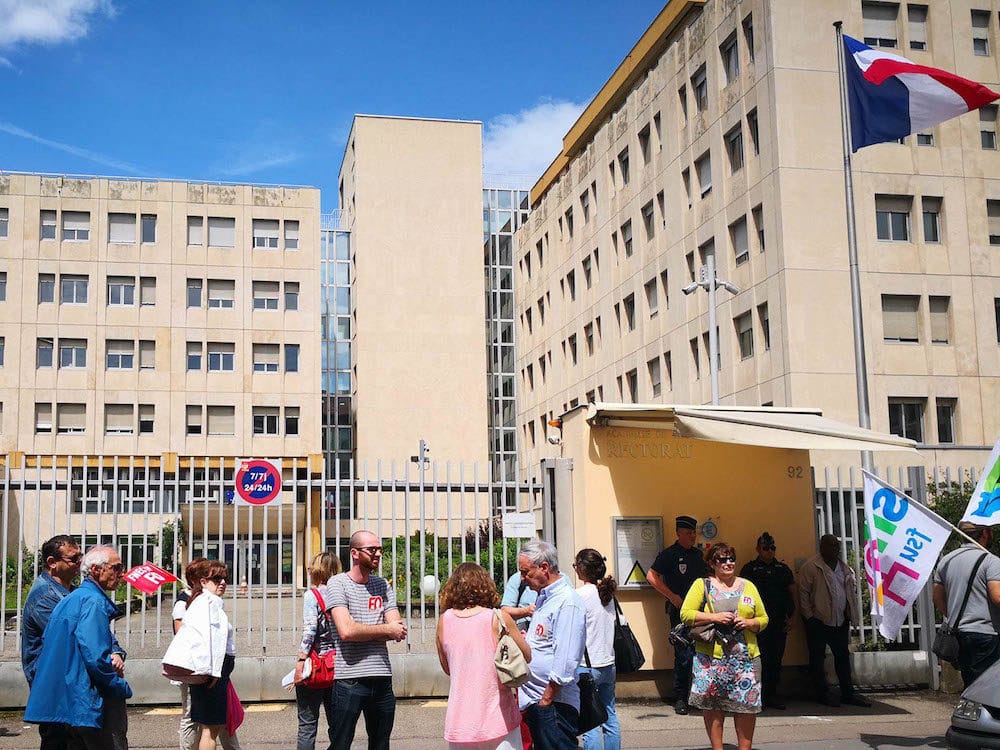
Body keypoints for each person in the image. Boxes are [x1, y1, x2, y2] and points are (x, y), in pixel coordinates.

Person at [24, 546, 132, 749]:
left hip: (72, 702)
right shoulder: (92, 602)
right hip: (88, 699)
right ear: (96, 570)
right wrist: (118, 687)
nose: (122, 573)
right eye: (117, 568)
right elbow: (95, 658)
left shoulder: (74, 598)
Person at [681, 542, 768, 750]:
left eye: (731, 559)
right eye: (722, 559)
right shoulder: (702, 585)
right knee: (713, 707)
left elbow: (764, 618)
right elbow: (686, 614)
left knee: (746, 707)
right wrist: (715, 617)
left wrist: (749, 623)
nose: (728, 563)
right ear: (712, 563)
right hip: (712, 659)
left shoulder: (748, 585)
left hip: (745, 659)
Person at [326, 530, 407, 750]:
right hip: (350, 679)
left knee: (381, 745)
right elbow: (346, 632)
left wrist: (374, 629)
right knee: (340, 744)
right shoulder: (337, 584)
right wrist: (385, 629)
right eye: (372, 549)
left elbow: (398, 630)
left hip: (382, 678)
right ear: (354, 553)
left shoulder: (382, 586)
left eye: (379, 549)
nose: (378, 554)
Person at [436, 562, 530, 749]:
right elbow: (526, 655)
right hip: (498, 718)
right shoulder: (498, 618)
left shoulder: (444, 621)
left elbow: (447, 668)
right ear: (486, 586)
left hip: (460, 723)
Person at [517, 539, 586, 750]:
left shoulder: (567, 602)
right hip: (541, 703)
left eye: (525, 572)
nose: (522, 578)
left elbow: (566, 659)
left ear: (544, 568)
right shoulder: (544, 599)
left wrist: (546, 700)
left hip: (554, 705)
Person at [798, 534, 871, 707]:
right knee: (817, 658)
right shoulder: (811, 567)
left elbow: (848, 593)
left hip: (840, 620)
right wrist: (809, 618)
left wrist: (850, 615)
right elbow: (803, 594)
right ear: (822, 547)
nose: (835, 549)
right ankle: (822, 693)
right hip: (819, 621)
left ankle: (848, 693)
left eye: (837, 546)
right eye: (831, 546)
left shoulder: (843, 567)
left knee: (842, 657)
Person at [173, 568, 241, 750]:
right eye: (216, 579)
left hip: (214, 672)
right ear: (202, 582)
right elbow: (209, 641)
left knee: (212, 727)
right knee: (210, 729)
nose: (223, 582)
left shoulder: (207, 602)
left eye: (225, 578)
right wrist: (215, 672)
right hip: (212, 673)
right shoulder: (206, 604)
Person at [646, 514, 707, 714]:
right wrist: (672, 596)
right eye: (688, 533)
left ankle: (698, 695)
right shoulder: (670, 554)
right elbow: (651, 576)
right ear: (678, 533)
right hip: (679, 613)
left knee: (700, 654)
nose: (693, 536)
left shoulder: (698, 556)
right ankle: (680, 698)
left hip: (699, 613)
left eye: (694, 533)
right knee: (683, 654)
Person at [933, 522, 1000, 687]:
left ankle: (971, 712)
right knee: (987, 688)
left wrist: (955, 615)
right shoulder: (991, 561)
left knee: (970, 684)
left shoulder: (946, 561)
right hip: (986, 634)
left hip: (959, 633)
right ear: (985, 533)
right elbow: (997, 596)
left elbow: (937, 597)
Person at [739, 532, 796, 709]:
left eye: (772, 548)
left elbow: (793, 592)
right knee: (759, 660)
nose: (769, 551)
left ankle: (772, 695)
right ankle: (758, 696)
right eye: (765, 548)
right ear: (758, 549)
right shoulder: (749, 569)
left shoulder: (782, 569)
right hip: (756, 623)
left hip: (779, 622)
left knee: (775, 661)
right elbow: (741, 593)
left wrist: (793, 616)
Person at [573, 548, 620, 750]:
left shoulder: (579, 595)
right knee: (609, 716)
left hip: (587, 665)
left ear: (582, 569)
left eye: (575, 566)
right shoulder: (608, 594)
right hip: (609, 663)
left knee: (590, 722)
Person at [294, 552, 341, 750]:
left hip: (315, 666)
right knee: (337, 724)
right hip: (337, 665)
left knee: (307, 724)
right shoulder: (340, 594)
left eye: (310, 568)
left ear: (317, 571)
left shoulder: (312, 595)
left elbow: (310, 629)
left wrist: (301, 660)